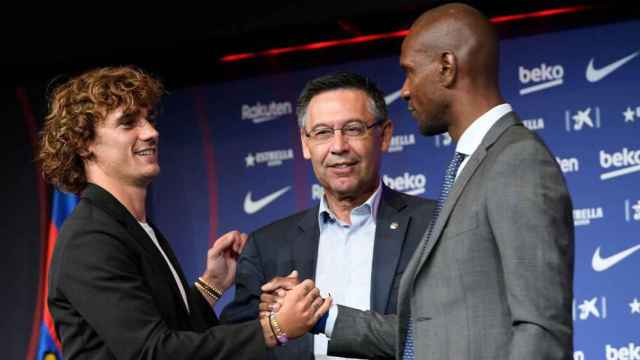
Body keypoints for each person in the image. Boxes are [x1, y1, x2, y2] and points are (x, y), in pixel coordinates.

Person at [264, 3, 575, 359]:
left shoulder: (516, 160)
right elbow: (429, 333)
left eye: (410, 72)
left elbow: (541, 327)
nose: (406, 90)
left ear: (446, 67)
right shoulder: (473, 165)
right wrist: (322, 315)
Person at [39, 66, 331, 359]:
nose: (151, 132)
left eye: (149, 119)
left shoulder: (132, 226)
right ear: (85, 145)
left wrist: (212, 284)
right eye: (128, 123)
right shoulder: (91, 238)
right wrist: (275, 328)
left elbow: (167, 327)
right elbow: (153, 352)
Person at [221, 72, 435, 359]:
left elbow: (448, 332)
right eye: (322, 133)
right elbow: (237, 346)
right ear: (305, 144)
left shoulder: (433, 225)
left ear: (383, 136)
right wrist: (273, 325)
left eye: (354, 129)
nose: (338, 147)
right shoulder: (266, 246)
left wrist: (318, 314)